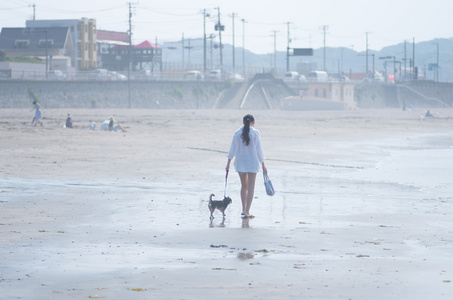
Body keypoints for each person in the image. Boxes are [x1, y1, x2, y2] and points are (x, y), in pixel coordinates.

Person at [226, 114, 268, 219]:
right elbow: (259, 150)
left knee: (243, 186)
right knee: (250, 187)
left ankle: (243, 209)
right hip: (252, 162)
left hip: (240, 162)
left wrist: (228, 163)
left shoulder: (237, 133)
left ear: (243, 122)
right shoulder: (255, 133)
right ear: (252, 122)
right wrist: (263, 164)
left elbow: (232, 149)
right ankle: (247, 211)